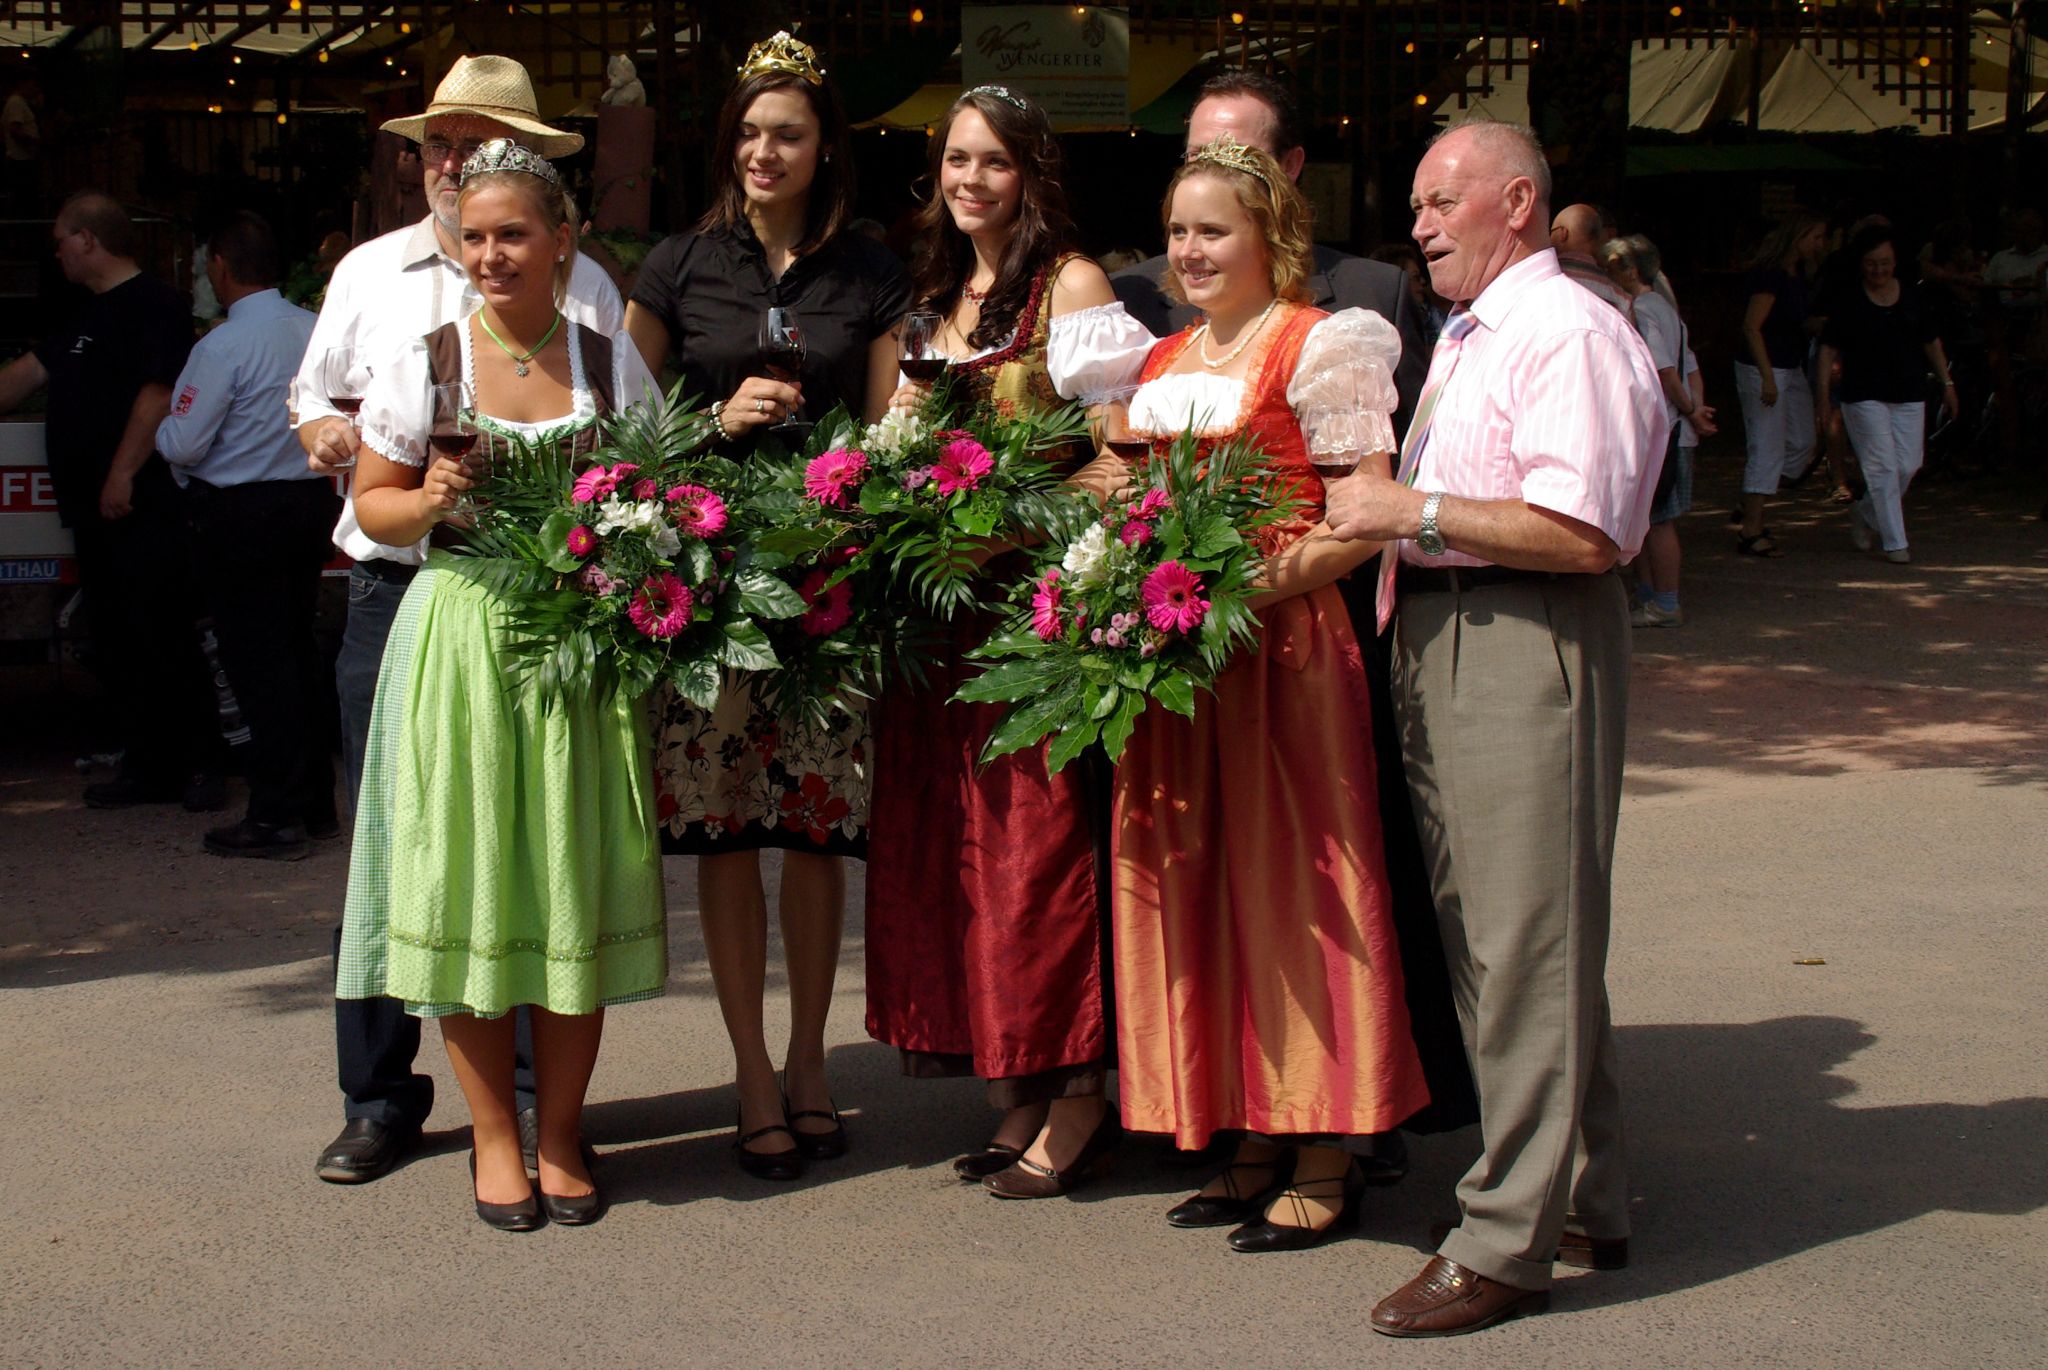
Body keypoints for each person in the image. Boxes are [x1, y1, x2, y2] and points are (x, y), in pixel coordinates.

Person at [1324, 122, 1664, 1337]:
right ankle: (1580, 1195)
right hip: (1450, 625)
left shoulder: (1566, 330)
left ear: (1515, 201)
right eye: (1415, 203)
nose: (1417, 223)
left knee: (1524, 943)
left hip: (1525, 629)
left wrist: (1407, 504)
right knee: (1506, 937)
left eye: (1439, 200)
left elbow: (1584, 532)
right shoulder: (1482, 331)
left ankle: (1504, 1240)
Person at [1094, 137, 1431, 1250]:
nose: (1189, 250)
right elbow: (1135, 508)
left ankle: (1324, 1145)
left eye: (1212, 230)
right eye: (1177, 231)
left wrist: (1239, 591)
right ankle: (1245, 1132)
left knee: (1295, 888)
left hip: (1280, 651)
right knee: (1203, 885)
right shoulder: (1161, 363)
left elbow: (1356, 516)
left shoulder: (1321, 342)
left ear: (1268, 235)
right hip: (1181, 665)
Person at [301, 55, 624, 1187]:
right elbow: (367, 495)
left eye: (513, 234)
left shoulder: (600, 343)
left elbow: (659, 481)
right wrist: (427, 499)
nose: (490, 253)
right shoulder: (408, 333)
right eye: (476, 235)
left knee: (560, 880)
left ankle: (560, 1130)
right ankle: (468, 1128)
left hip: (574, 644)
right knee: (452, 876)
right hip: (446, 630)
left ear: (559, 237)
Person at [625, 30, 911, 1180]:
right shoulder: (677, 266)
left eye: (784, 133)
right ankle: (748, 1064)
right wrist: (712, 425)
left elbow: (896, 436)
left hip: (827, 586)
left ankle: (807, 1057)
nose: (762, 150)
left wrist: (853, 484)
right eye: (746, 132)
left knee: (813, 833)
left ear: (821, 146)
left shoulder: (872, 272)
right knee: (724, 831)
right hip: (704, 590)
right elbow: (622, 439)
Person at [861, 85, 1152, 1197]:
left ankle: (1079, 1100)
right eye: (953, 159)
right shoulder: (934, 292)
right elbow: (895, 441)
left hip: (1029, 609)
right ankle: (1019, 1084)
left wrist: (1008, 531)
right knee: (967, 858)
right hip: (944, 620)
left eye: (991, 161)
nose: (968, 178)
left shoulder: (1069, 284)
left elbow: (1114, 456)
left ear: (1030, 171)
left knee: (1039, 857)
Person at [0, 191, 220, 812]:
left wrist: (122, 473)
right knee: (120, 638)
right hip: (93, 512)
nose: (57, 252)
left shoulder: (156, 304)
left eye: (62, 239)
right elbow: (26, 375)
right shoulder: (82, 312)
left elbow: (157, 395)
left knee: (164, 631)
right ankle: (147, 765)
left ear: (89, 240)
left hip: (141, 505)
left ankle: (202, 763)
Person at [154, 211, 340, 858]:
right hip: (306, 504)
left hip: (239, 517)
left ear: (221, 269)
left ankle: (275, 814)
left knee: (260, 667)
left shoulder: (221, 347)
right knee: (295, 654)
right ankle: (314, 803)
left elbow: (183, 440)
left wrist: (161, 434)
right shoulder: (313, 330)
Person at [1111, 69, 1426, 431]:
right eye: (1198, 156)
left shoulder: (1374, 294)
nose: (1214, 173)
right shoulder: (1132, 298)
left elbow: (1396, 463)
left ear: (1290, 165)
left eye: (1235, 157)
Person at [1817, 223, 1956, 566]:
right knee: (1881, 467)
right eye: (1871, 263)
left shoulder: (1912, 296)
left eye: (1885, 262)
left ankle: (1865, 513)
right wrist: (1822, 397)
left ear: (1896, 261)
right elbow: (1827, 350)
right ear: (1861, 264)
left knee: (1908, 464)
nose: (1879, 270)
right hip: (1863, 393)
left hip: (1908, 391)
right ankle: (1896, 542)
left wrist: (1948, 383)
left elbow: (1931, 341)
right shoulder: (1848, 300)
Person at [1603, 233, 1713, 627]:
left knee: (1660, 520)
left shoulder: (1645, 309)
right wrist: (1695, 409)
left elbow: (1665, 369)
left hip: (1665, 431)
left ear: (1630, 271)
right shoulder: (1667, 310)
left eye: (1611, 268)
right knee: (1651, 520)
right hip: (1676, 427)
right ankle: (1650, 597)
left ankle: (1665, 601)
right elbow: (1692, 367)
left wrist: (1686, 409)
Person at [1732, 211, 1825, 556]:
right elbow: (1752, 326)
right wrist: (1768, 376)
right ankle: (1751, 528)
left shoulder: (1796, 274)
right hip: (1765, 367)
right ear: (1798, 238)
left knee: (1802, 441)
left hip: (1790, 364)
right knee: (1767, 447)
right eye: (1815, 237)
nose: (1820, 244)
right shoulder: (1770, 276)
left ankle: (1751, 496)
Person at [1550, 202, 1627, 312]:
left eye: (1552, 232)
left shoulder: (1540, 279)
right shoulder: (1621, 298)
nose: (1549, 238)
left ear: (1563, 233)